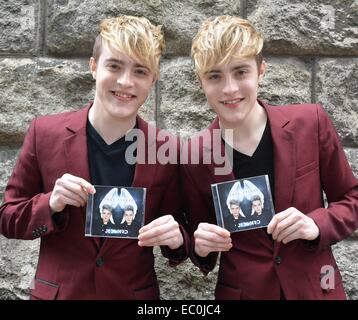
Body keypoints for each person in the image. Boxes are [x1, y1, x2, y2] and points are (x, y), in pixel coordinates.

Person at [0, 15, 189, 300]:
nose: (126, 82)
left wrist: (177, 239)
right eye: (114, 66)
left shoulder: (167, 149)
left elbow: (182, 232)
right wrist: (51, 203)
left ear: (153, 78)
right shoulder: (44, 132)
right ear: (93, 67)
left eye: (140, 71)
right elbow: (7, 218)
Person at [181, 15, 358, 299]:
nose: (229, 89)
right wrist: (200, 246)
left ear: (261, 71)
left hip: (315, 290)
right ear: (201, 81)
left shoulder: (310, 122)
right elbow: (200, 247)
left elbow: (352, 199)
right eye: (215, 76)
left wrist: (315, 224)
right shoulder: (193, 156)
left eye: (240, 72)